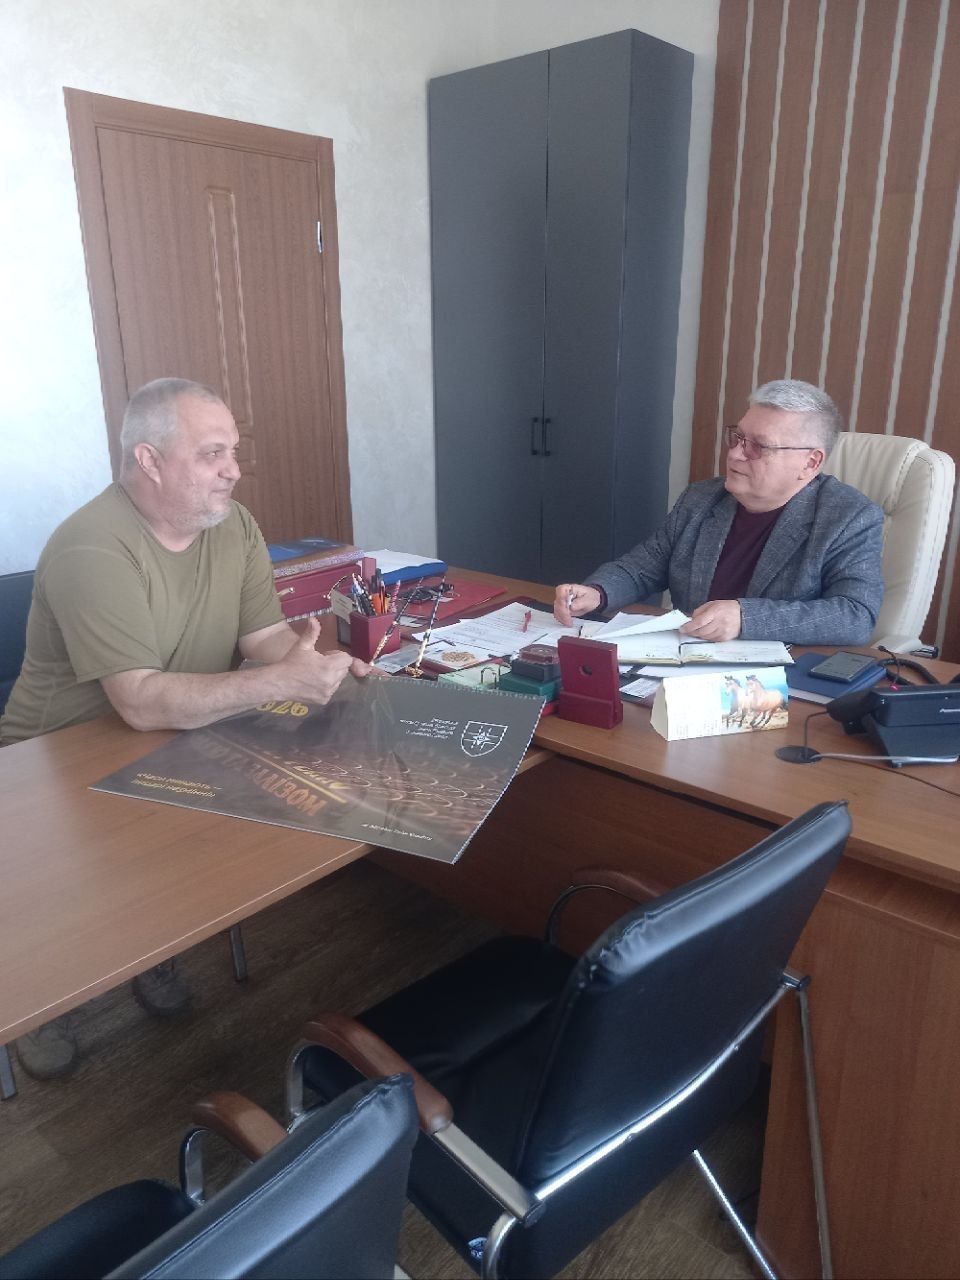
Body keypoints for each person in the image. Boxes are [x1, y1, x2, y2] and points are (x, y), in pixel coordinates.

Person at [1, 377, 370, 1080]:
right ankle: (45, 1000)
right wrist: (279, 682)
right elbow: (139, 702)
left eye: (232, 451)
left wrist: (313, 664)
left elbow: (262, 636)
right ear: (149, 460)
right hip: (52, 761)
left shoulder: (234, 524)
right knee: (71, 900)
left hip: (176, 730)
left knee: (173, 863)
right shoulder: (91, 546)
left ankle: (150, 947)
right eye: (211, 454)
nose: (233, 470)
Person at [555, 380, 884, 644]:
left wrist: (745, 618)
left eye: (758, 446)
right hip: (682, 659)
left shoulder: (848, 518)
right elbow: (643, 567)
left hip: (774, 680)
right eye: (738, 437)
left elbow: (855, 615)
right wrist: (598, 593)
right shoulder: (702, 498)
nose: (736, 454)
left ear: (810, 462)